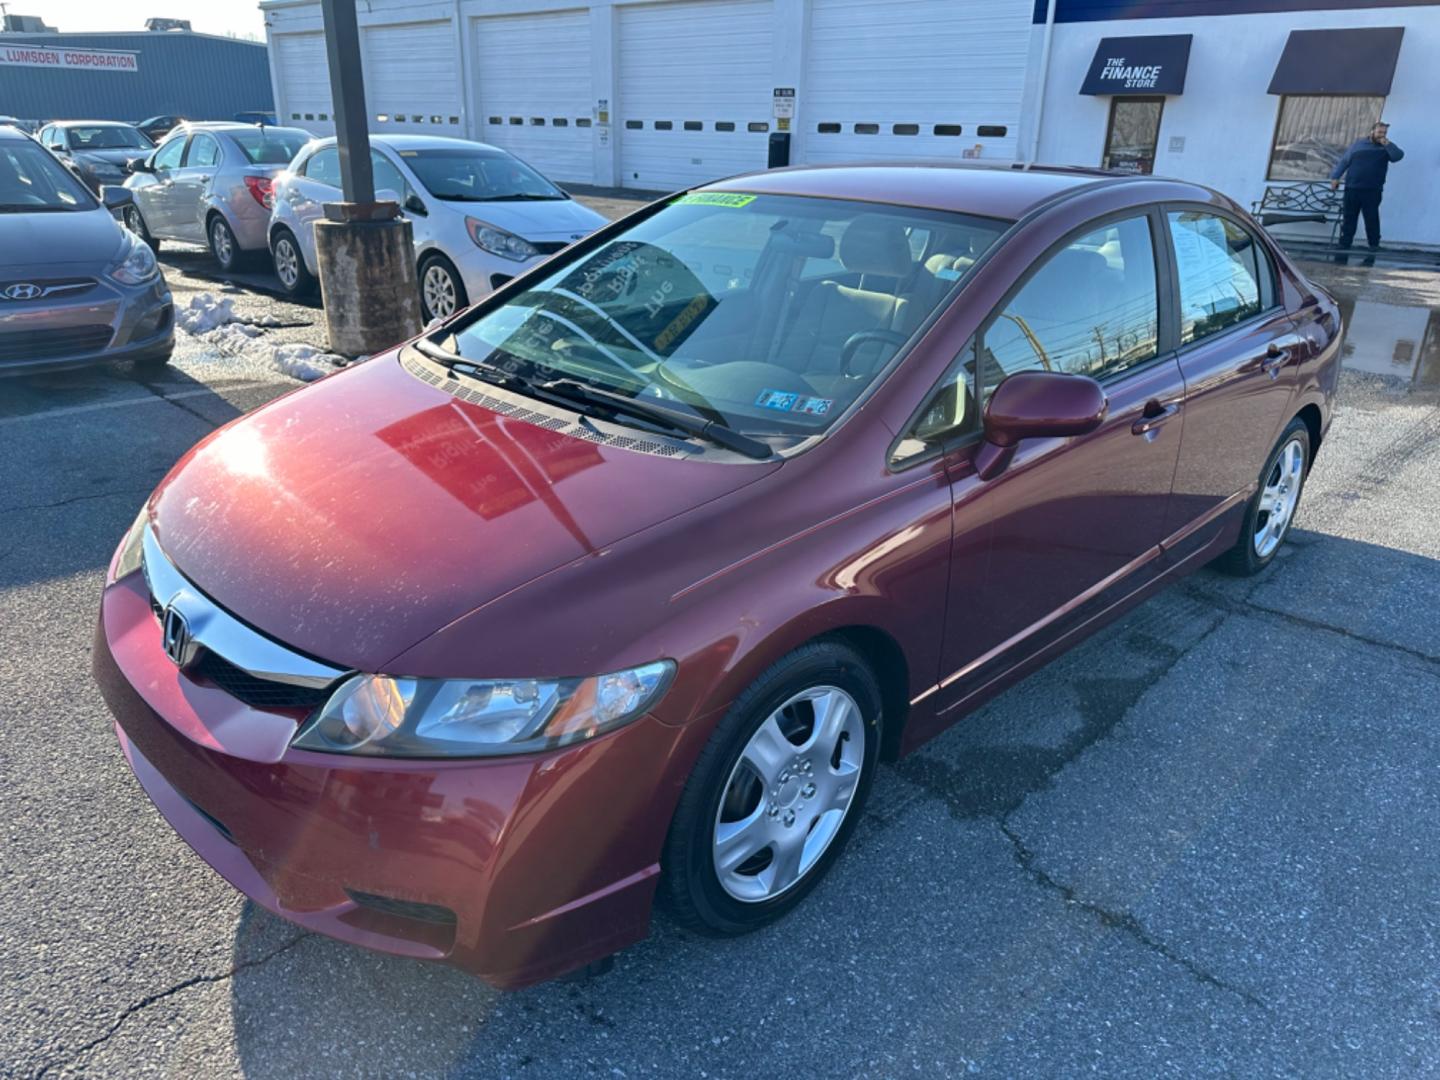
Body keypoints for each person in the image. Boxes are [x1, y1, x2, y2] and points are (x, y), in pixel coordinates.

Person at [1329, 121, 1404, 252]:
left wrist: (1388, 145)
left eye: (1384, 133)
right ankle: (1345, 243)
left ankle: (1374, 245)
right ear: (1372, 132)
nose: (1382, 135)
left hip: (1372, 190)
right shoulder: (1358, 145)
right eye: (1380, 132)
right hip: (1352, 187)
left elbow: (1398, 157)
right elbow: (1345, 161)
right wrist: (1335, 177)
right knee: (1349, 217)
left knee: (1371, 217)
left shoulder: (1386, 147)